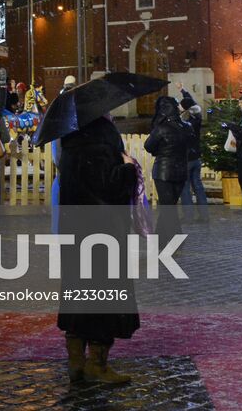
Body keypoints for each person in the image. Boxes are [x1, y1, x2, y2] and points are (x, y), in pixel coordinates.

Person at [56, 108, 140, 385]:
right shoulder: (102, 144)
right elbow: (109, 185)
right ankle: (97, 365)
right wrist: (128, 168)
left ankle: (75, 362)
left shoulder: (69, 142)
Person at [143, 95, 191, 237]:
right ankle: (160, 237)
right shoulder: (186, 127)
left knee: (168, 209)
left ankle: (174, 239)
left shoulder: (161, 128)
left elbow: (148, 146)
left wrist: (159, 150)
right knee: (169, 207)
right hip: (181, 170)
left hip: (163, 172)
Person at [177, 86, 207, 219]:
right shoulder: (197, 118)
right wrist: (183, 91)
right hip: (196, 157)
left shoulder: (186, 123)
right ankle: (204, 214)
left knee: (185, 187)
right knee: (198, 186)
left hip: (187, 158)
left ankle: (188, 215)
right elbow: (191, 102)